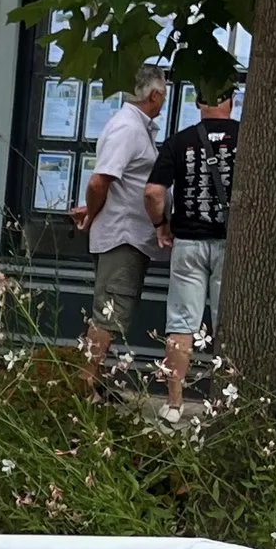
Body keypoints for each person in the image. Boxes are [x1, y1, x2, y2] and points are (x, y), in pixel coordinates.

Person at [145, 82, 240, 421]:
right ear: (231, 101)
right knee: (227, 325)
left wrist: (161, 225)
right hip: (231, 245)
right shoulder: (246, 138)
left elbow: (153, 192)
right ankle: (224, 403)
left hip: (187, 243)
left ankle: (174, 404)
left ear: (198, 102)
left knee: (181, 324)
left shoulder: (179, 141)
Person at [71, 66, 167, 380]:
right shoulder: (128, 128)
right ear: (154, 95)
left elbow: (114, 183)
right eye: (164, 94)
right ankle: (85, 385)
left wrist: (94, 208)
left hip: (126, 234)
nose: (164, 101)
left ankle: (93, 384)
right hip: (123, 237)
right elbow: (99, 181)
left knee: (111, 310)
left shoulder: (134, 126)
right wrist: (93, 211)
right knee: (110, 312)